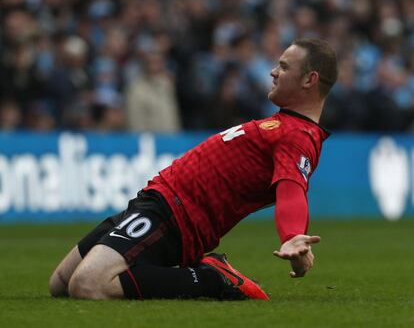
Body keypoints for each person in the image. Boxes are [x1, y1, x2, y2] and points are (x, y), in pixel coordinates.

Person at [49, 38, 338, 301]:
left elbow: (291, 188)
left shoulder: (299, 135)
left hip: (176, 216)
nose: (273, 72)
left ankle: (211, 278)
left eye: (284, 67)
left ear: (309, 80)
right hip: (154, 201)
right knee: (60, 283)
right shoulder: (283, 125)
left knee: (88, 285)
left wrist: (291, 234)